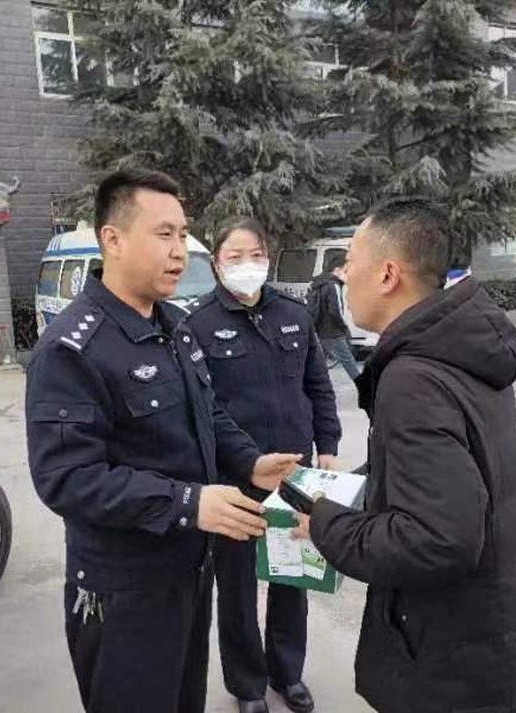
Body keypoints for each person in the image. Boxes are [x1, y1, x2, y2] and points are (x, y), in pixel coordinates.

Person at [25, 168, 300, 713]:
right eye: (164, 234)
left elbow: (207, 413)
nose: (179, 251)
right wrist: (189, 502)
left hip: (188, 571)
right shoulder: (71, 350)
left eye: (183, 234)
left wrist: (250, 461)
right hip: (123, 589)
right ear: (113, 239)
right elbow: (67, 479)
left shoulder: (174, 325)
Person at [293, 198, 516, 713]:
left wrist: (325, 524)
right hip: (498, 639)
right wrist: (349, 488)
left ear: (388, 274)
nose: (343, 275)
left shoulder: (413, 378)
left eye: (350, 260)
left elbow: (438, 539)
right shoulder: (460, 346)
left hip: (455, 671)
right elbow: (445, 470)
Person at [186, 218, 341, 713]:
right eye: (234, 256)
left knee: (292, 577)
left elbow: (317, 385)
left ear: (268, 259)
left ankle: (287, 673)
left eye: (254, 254)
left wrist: (328, 443)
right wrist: (247, 461)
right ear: (216, 264)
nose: (246, 264)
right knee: (236, 590)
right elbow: (204, 411)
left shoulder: (293, 314)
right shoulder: (197, 324)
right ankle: (248, 686)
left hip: (295, 473)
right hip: (235, 479)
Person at [307, 255, 361, 381]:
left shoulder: (318, 283)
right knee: (349, 361)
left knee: (318, 362)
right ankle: (364, 387)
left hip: (319, 328)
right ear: (337, 270)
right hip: (333, 331)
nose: (347, 274)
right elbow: (336, 311)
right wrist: (344, 328)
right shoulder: (333, 285)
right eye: (345, 271)